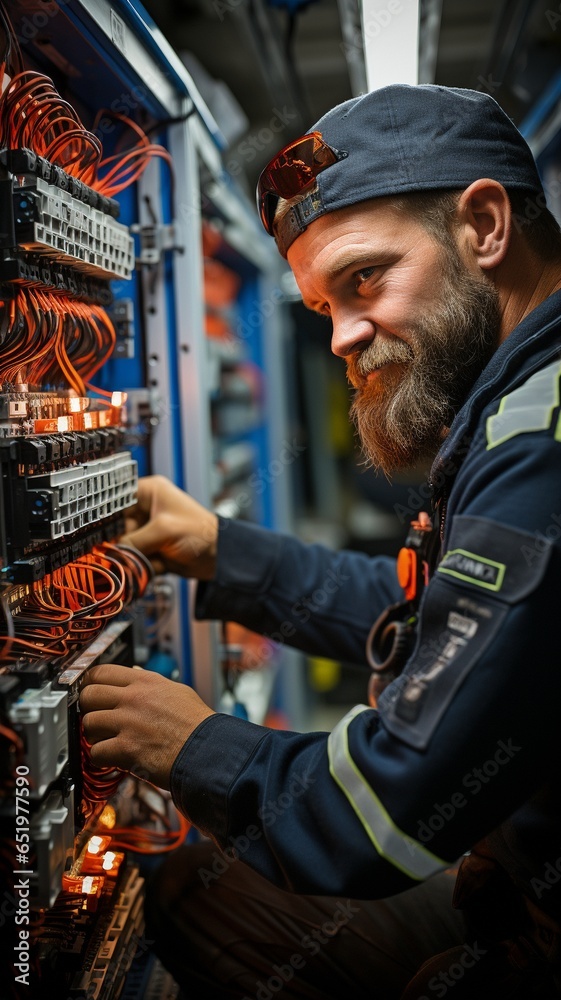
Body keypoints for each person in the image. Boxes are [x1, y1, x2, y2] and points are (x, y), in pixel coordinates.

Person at [79, 85, 561, 998]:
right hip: (516, 883)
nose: (343, 336)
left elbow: (380, 818)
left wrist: (195, 745)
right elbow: (437, 630)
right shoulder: (520, 401)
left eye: (365, 278)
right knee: (200, 892)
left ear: (486, 225)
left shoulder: (539, 446)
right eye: (319, 307)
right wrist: (227, 549)